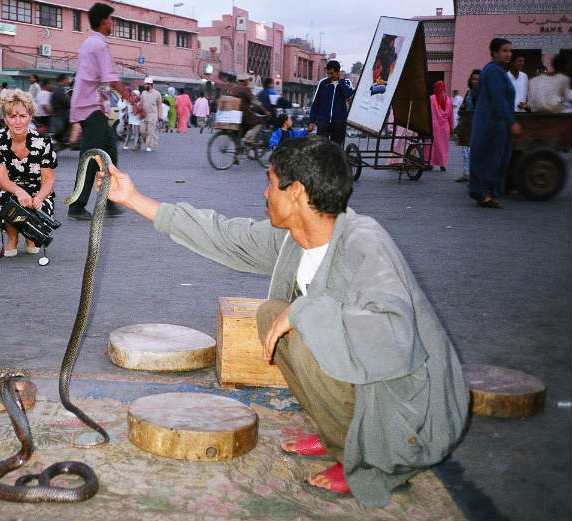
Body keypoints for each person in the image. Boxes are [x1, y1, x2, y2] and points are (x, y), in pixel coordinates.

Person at [93, 134, 469, 508]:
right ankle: (340, 432)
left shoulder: (363, 242)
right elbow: (225, 235)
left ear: (298, 194)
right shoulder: (297, 238)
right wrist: (133, 198)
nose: (264, 193)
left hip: (411, 411)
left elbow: (395, 337)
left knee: (302, 328)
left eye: (270, 182)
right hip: (364, 379)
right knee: (272, 314)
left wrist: (306, 310)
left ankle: (365, 458)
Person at [66, 2, 128, 221]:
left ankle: (109, 199)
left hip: (92, 108)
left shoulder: (92, 43)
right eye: (110, 19)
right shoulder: (98, 45)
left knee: (109, 153)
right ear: (103, 21)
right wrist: (132, 100)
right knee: (92, 159)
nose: (112, 23)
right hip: (89, 109)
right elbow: (111, 77)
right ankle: (77, 205)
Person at [0, 89, 57, 257]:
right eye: (12, 116)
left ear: (30, 116)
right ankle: (12, 237)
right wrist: (19, 192)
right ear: (5, 118)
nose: (18, 122)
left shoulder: (43, 142)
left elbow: (48, 180)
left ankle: (31, 236)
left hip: (38, 191)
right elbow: (2, 179)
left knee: (41, 205)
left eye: (23, 116)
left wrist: (38, 198)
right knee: (5, 201)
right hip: (9, 190)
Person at [469, 38, 521, 209]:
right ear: (495, 52)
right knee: (491, 158)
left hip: (491, 121)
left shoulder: (494, 70)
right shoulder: (494, 72)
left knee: (489, 157)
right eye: (505, 50)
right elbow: (499, 100)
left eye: (510, 51)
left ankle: (483, 193)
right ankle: (484, 194)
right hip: (493, 123)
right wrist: (511, 121)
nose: (508, 54)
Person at [307, 60, 355, 145]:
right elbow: (316, 103)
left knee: (336, 149)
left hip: (339, 122)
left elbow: (347, 94)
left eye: (332, 73)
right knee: (322, 147)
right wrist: (311, 121)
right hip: (323, 121)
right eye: (328, 73)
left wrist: (341, 81)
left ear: (338, 72)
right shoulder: (323, 83)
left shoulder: (347, 83)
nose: (329, 76)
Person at [454, 69, 481, 182]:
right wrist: (462, 107)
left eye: (478, 79)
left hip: (477, 123)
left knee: (473, 151)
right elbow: (461, 110)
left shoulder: (482, 93)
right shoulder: (468, 93)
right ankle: (466, 174)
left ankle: (475, 174)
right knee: (465, 151)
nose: (475, 81)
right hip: (467, 124)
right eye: (473, 79)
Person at [228, 73, 265, 144]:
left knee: (243, 129)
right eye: (247, 80)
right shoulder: (245, 89)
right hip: (243, 114)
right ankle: (249, 139)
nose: (248, 81)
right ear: (244, 81)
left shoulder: (233, 88)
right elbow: (254, 101)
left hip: (233, 114)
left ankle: (239, 146)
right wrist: (265, 110)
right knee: (259, 121)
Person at [426, 80, 454, 172]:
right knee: (443, 146)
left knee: (430, 145)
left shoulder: (431, 98)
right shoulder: (449, 100)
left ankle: (429, 163)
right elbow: (451, 115)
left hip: (433, 126)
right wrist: (452, 127)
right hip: (444, 126)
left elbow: (427, 113)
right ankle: (442, 164)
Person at [139, 77, 163, 151]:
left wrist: (159, 116)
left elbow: (159, 105)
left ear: (150, 84)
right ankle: (150, 140)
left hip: (153, 115)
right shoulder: (143, 93)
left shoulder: (157, 94)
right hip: (144, 115)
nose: (144, 86)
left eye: (146, 84)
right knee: (142, 131)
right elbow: (141, 103)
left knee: (150, 131)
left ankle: (149, 146)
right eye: (144, 84)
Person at [49, 73, 71, 145]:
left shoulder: (57, 89)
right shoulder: (60, 90)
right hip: (61, 114)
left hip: (58, 113)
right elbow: (66, 102)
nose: (68, 81)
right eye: (67, 79)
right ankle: (64, 137)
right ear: (63, 80)